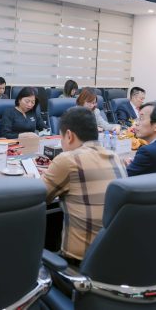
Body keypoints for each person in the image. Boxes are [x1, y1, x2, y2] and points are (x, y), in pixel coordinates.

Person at [42, 106, 127, 262]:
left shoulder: (68, 159)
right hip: (117, 257)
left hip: (81, 263)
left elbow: (39, 197)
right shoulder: (115, 157)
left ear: (69, 136)